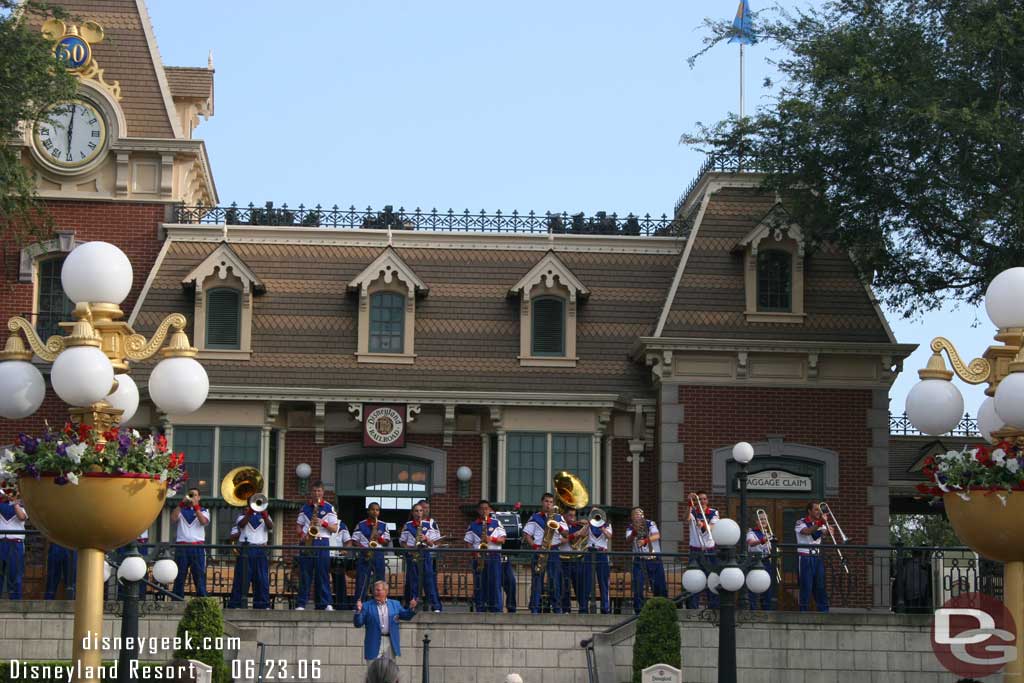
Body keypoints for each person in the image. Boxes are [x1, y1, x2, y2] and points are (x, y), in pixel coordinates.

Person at [295, 482, 338, 610]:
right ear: (311, 492)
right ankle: (301, 603)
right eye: (314, 491)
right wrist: (302, 535)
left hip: (322, 541)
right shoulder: (305, 508)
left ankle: (326, 603)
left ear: (323, 492)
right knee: (305, 574)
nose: (316, 493)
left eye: (319, 491)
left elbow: (334, 528)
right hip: (308, 542)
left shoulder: (329, 508)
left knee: (323, 574)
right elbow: (298, 526)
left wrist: (323, 523)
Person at [524, 492, 568, 613]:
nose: (548, 504)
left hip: (553, 550)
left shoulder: (559, 517)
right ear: (542, 502)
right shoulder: (535, 517)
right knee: (537, 580)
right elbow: (527, 534)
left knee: (555, 580)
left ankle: (557, 608)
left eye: (550, 502)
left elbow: (565, 535)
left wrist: (558, 526)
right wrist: (534, 546)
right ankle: (535, 608)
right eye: (546, 501)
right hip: (539, 550)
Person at [354, 580, 417, 661]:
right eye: (375, 590)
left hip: (390, 641)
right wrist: (358, 611)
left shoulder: (395, 604)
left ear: (386, 591)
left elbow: (406, 616)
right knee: (373, 670)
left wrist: (411, 608)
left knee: (389, 670)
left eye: (378, 590)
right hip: (374, 641)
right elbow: (358, 623)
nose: (375, 592)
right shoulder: (367, 606)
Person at [227, 504, 273, 609]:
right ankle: (236, 604)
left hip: (260, 550)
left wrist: (264, 514)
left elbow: (270, 526)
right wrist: (249, 513)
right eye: (247, 507)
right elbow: (242, 525)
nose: (249, 508)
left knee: (261, 579)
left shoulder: (265, 515)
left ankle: (262, 604)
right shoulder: (241, 516)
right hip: (246, 550)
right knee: (242, 578)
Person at [399, 502, 442, 612]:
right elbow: (402, 542)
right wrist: (409, 550)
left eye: (420, 511)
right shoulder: (408, 525)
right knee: (413, 581)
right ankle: (413, 605)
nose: (419, 513)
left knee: (429, 581)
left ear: (423, 512)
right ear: (412, 513)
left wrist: (427, 539)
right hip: (412, 555)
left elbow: (435, 543)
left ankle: (435, 606)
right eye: (416, 511)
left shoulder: (428, 525)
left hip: (425, 554)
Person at [465, 499, 505, 613]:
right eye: (482, 509)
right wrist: (474, 554)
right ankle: (480, 608)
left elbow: (502, 540)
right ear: (478, 511)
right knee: (479, 584)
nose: (484, 511)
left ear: (490, 510)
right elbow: (468, 543)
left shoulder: (496, 523)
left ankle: (496, 609)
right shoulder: (473, 525)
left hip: (493, 556)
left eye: (486, 509)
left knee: (495, 583)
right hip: (479, 557)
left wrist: (491, 539)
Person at [626, 506, 667, 614]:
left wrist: (645, 541)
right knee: (638, 586)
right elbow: (628, 540)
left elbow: (657, 535)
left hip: (654, 559)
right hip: (639, 560)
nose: (637, 516)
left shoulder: (650, 523)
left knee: (659, 585)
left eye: (639, 514)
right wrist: (634, 532)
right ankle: (638, 610)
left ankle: (661, 610)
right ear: (632, 517)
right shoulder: (630, 527)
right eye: (635, 515)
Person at [171, 488, 210, 598]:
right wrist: (181, 504)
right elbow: (173, 519)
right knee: (179, 574)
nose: (193, 497)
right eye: (191, 495)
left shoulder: (204, 510)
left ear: (199, 498)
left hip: (197, 546)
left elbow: (203, 522)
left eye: (195, 495)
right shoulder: (181, 510)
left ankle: (202, 598)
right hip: (182, 546)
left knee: (199, 574)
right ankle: (177, 598)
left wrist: (196, 507)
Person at [685, 492, 719, 609]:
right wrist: (690, 504)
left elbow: (713, 527)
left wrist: (703, 524)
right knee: (694, 578)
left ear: (707, 500)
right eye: (699, 499)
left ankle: (713, 607)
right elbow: (686, 518)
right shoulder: (693, 512)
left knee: (712, 578)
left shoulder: (714, 512)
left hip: (710, 550)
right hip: (695, 550)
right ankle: (692, 607)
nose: (702, 501)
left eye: (704, 499)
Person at [795, 501, 831, 612]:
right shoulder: (800, 522)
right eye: (816, 509)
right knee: (806, 586)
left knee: (820, 585)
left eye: (819, 510)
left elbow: (824, 535)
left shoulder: (820, 523)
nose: (818, 512)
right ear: (809, 511)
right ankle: (803, 611)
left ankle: (824, 611)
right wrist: (820, 524)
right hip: (805, 557)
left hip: (817, 557)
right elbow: (807, 531)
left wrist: (829, 532)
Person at [580, 510, 613, 614]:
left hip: (602, 554)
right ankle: (584, 608)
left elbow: (609, 536)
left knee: (603, 582)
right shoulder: (589, 525)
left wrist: (602, 527)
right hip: (590, 553)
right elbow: (582, 534)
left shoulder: (607, 525)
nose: (596, 517)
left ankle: (605, 608)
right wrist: (588, 525)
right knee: (587, 581)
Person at [0, 489, 27, 599]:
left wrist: (14, 502)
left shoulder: (23, 505)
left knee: (15, 576)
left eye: (11, 492)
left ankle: (15, 604)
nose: (9, 494)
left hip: (15, 544)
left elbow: (22, 517)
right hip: (1, 542)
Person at [745, 518, 775, 611]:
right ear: (756, 521)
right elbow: (751, 543)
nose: (763, 521)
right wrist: (762, 540)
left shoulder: (768, 534)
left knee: (767, 584)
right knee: (754, 584)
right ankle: (753, 608)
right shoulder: (751, 533)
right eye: (761, 519)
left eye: (765, 519)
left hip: (766, 560)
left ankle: (767, 608)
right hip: (755, 561)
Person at [559, 508, 584, 613]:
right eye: (570, 515)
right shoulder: (559, 527)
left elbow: (582, 536)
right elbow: (563, 540)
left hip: (575, 560)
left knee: (579, 585)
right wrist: (575, 535)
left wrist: (587, 524)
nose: (572, 518)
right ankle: (566, 609)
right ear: (564, 516)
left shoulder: (577, 526)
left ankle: (583, 609)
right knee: (565, 586)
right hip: (563, 560)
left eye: (574, 515)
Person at [330, 515, 353, 611]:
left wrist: (345, 550)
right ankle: (325, 604)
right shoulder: (318, 522)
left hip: (336, 556)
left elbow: (348, 541)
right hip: (322, 554)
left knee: (339, 577)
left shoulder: (341, 524)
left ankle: (341, 604)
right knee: (321, 579)